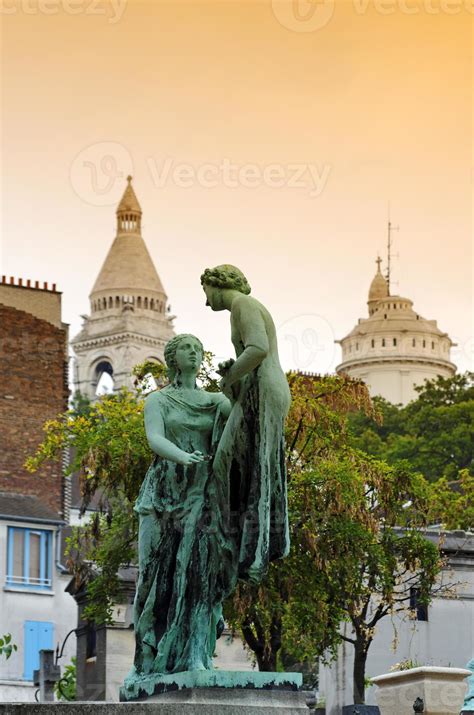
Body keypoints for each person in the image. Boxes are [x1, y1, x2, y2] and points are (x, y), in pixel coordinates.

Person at [126, 334, 235, 682]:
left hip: (200, 495)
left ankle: (196, 654)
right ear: (173, 358)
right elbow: (155, 438)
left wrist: (239, 379)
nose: (194, 352)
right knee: (154, 575)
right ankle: (147, 658)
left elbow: (241, 417)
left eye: (198, 348)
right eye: (186, 348)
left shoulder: (215, 400)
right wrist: (183, 456)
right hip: (162, 492)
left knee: (198, 577)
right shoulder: (157, 400)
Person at [201, 264, 291, 585]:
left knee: (246, 465)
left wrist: (229, 376)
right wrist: (234, 371)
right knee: (246, 464)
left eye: (205, 291)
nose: (206, 300)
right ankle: (248, 541)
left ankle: (251, 548)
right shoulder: (240, 309)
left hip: (265, 389)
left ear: (217, 284)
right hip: (258, 389)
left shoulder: (244, 305)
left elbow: (258, 349)